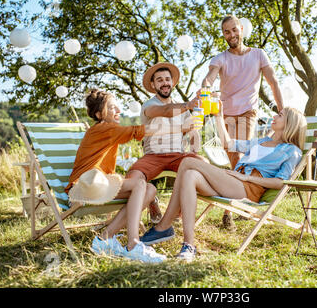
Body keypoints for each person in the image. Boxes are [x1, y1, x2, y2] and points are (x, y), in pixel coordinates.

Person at [140, 104, 307, 261]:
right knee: (190, 175)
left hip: (247, 189)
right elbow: (228, 144)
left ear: (290, 123)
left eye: (280, 115)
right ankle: (189, 245)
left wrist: (248, 178)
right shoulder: (261, 141)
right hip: (233, 181)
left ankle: (163, 226)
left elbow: (280, 182)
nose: (274, 116)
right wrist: (219, 116)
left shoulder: (292, 151)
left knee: (187, 162)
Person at [65, 89, 201, 263]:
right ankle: (133, 244)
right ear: (99, 114)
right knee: (138, 184)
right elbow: (142, 130)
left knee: (150, 189)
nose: (119, 111)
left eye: (117, 107)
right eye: (112, 107)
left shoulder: (107, 129)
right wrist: (180, 127)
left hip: (99, 185)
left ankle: (104, 238)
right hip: (84, 187)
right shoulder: (105, 128)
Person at [199, 14, 285, 229]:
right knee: (234, 161)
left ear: (242, 30)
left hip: (248, 112)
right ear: (223, 35)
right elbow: (211, 75)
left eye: (234, 30)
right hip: (226, 113)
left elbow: (273, 82)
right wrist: (206, 86)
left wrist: (282, 111)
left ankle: (231, 209)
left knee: (243, 159)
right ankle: (232, 206)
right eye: (226, 32)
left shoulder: (258, 54)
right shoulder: (220, 58)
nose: (231, 35)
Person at [126, 62, 206, 197]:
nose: (165, 83)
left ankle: (179, 211)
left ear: (172, 82)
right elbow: (165, 111)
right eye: (160, 80)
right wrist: (188, 104)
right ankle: (151, 200)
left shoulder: (182, 107)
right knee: (132, 178)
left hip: (177, 155)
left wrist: (193, 150)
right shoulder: (149, 105)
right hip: (153, 156)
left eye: (167, 79)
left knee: (204, 164)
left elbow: (192, 131)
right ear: (153, 85)